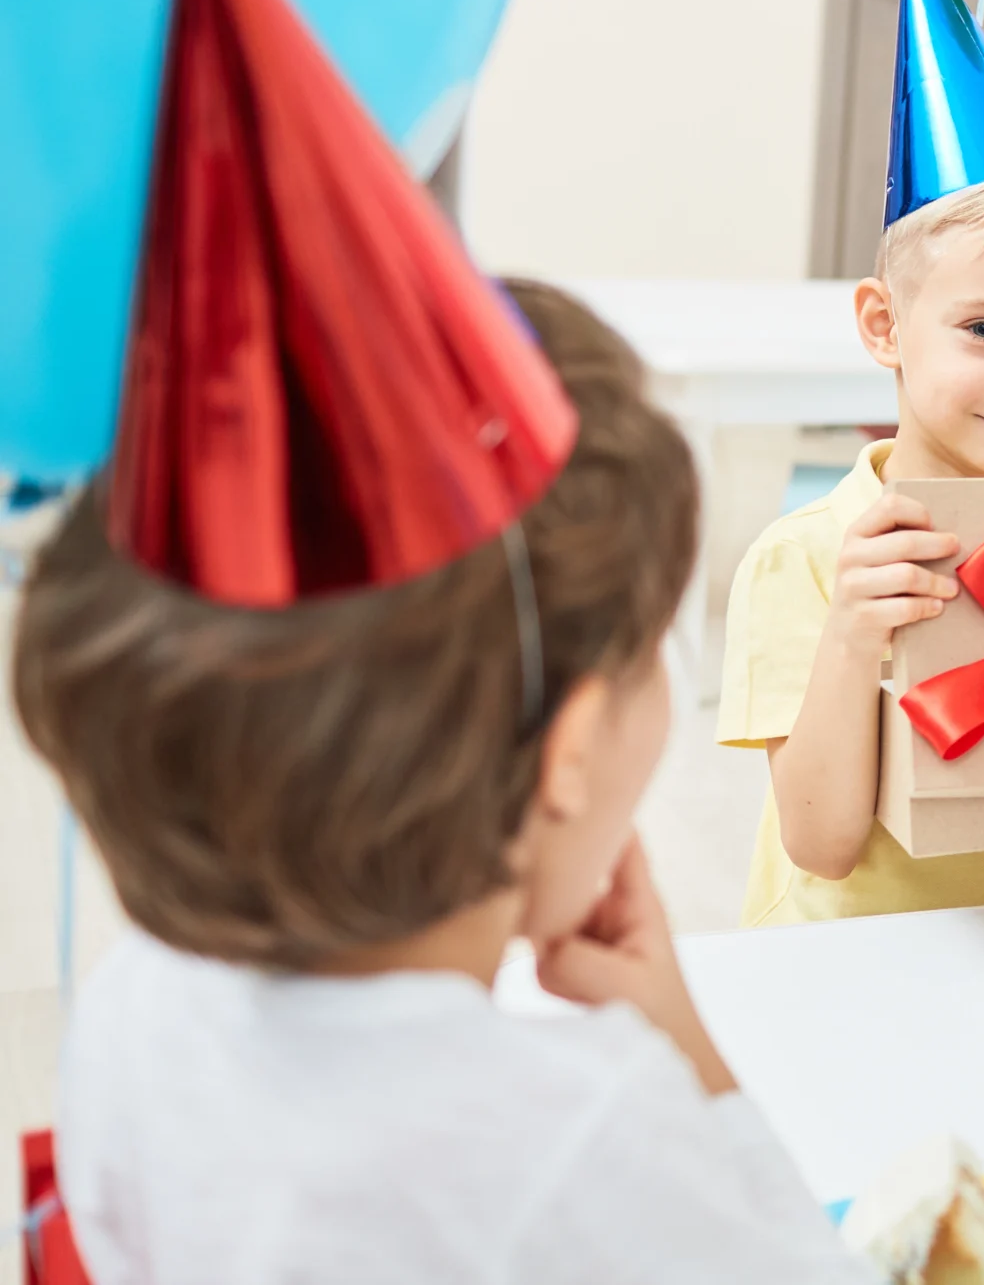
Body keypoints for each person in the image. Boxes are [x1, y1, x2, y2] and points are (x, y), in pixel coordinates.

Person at [14, 282, 875, 1285]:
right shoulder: (584, 1139)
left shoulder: (136, 998)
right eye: (652, 656)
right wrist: (694, 1065)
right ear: (572, 749)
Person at [719, 162, 984, 924]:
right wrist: (850, 634)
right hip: (849, 962)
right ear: (885, 325)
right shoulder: (804, 559)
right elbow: (821, 843)